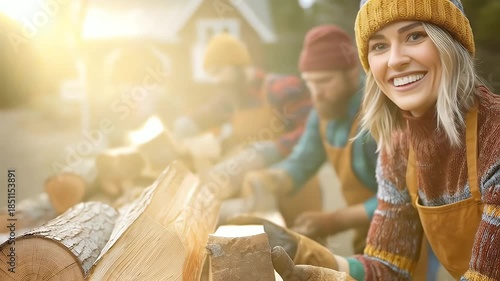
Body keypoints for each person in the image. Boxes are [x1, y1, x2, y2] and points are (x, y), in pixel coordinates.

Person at [270, 0, 500, 280]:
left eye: (415, 36)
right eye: (379, 46)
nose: (395, 60)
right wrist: (313, 259)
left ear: (452, 43)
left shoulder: (495, 137)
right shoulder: (399, 146)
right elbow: (387, 266)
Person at [241, 24, 378, 256]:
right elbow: (303, 160)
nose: (316, 93)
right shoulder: (325, 110)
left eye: (324, 81)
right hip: (367, 230)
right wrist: (273, 178)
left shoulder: (379, 114)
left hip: (411, 232)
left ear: (352, 72)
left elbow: (403, 198)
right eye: (310, 83)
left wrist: (334, 221)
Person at [174, 32, 322, 224]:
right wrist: (184, 125)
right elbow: (202, 115)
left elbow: (314, 131)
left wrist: (270, 150)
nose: (217, 81)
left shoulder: (281, 87)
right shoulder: (231, 98)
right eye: (212, 75)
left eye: (219, 71)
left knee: (306, 248)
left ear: (238, 66)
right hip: (258, 193)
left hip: (295, 190)